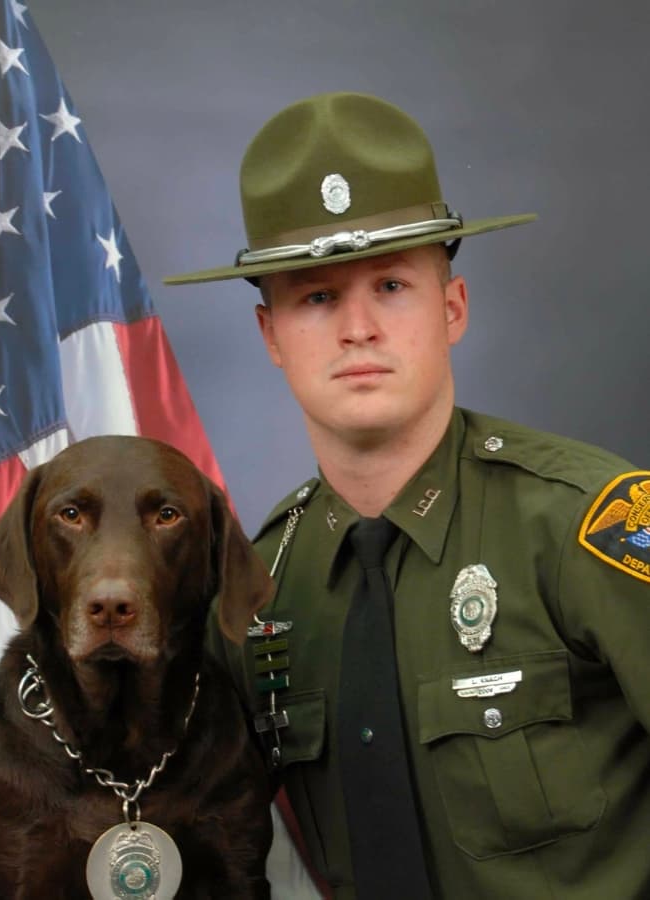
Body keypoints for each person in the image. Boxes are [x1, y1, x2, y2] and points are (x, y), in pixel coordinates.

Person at [165, 93, 650, 899]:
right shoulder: (255, 592)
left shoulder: (583, 523)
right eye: (316, 297)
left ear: (451, 308)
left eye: (391, 285)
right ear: (271, 337)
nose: (357, 328)